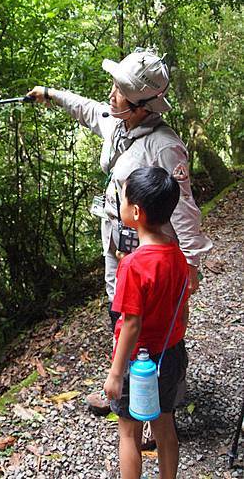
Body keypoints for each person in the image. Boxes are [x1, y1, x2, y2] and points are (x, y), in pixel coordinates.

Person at [27, 47, 212, 419]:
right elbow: (87, 109)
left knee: (157, 324)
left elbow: (186, 208)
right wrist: (50, 94)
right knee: (120, 311)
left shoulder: (165, 146)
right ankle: (126, 389)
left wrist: (191, 264)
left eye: (119, 91)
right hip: (118, 240)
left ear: (142, 105)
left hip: (151, 249)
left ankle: (161, 402)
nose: (111, 95)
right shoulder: (118, 123)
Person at [103, 166, 190, 479]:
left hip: (139, 364)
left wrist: (115, 374)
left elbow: (131, 324)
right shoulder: (177, 255)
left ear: (135, 212)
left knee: (129, 433)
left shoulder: (133, 265)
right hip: (171, 354)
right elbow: (182, 309)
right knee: (165, 425)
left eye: (124, 201)